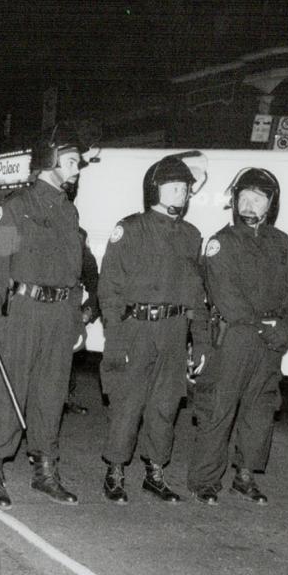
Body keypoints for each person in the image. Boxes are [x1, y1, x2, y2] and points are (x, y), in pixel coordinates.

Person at [0, 128, 91, 507]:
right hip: (23, 311)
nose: (77, 169)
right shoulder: (15, 207)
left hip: (60, 313)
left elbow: (74, 272)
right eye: (71, 161)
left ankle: (45, 470)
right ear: (49, 161)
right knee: (9, 393)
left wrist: (76, 320)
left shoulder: (69, 211)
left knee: (51, 393)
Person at [97, 153, 209, 504]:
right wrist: (115, 338)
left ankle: (155, 472)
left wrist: (201, 341)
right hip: (137, 329)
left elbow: (196, 292)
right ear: (154, 190)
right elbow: (109, 286)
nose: (179, 194)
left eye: (184, 189)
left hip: (174, 331)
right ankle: (115, 470)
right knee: (128, 404)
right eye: (172, 187)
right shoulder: (130, 228)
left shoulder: (192, 236)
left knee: (165, 405)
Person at [187, 167, 288, 504]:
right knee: (219, 408)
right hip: (235, 336)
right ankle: (205, 480)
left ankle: (245, 474)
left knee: (260, 409)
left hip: (269, 341)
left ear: (271, 204)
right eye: (244, 197)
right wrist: (265, 326)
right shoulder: (221, 243)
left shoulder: (281, 242)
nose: (250, 204)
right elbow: (226, 295)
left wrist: (285, 326)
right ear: (234, 202)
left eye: (259, 198)